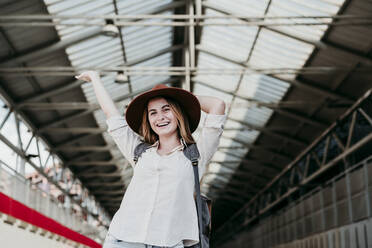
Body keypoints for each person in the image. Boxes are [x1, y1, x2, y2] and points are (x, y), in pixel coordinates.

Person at [76, 71, 226, 248]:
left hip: (169, 243)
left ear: (178, 113)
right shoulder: (140, 152)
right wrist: (95, 79)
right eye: (152, 112)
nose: (160, 117)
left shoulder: (197, 155)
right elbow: (113, 117)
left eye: (166, 109)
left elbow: (218, 105)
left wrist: (181, 98)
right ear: (148, 119)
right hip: (124, 239)